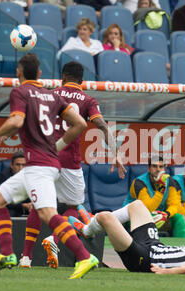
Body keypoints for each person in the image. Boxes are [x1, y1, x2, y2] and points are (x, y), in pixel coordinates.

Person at [0, 53, 98, 279]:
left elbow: (16, 121)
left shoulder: (21, 92)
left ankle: (85, 257)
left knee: (45, 213)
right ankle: (7, 254)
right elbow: (81, 123)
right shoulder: (49, 96)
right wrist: (59, 145)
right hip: (44, 162)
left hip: (40, 166)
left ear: (18, 72)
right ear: (40, 74)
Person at [19, 61, 126, 268]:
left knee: (38, 205)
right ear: (82, 81)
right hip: (69, 162)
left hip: (46, 157)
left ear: (62, 77)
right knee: (72, 207)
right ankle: (54, 240)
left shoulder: (49, 94)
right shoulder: (88, 99)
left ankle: (26, 257)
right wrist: (116, 154)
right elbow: (102, 126)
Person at [69, 199, 185, 275]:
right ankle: (92, 223)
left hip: (144, 259)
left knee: (106, 216)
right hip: (154, 245)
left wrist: (165, 272)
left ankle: (86, 230)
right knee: (137, 205)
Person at [122, 155, 185, 236]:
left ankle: (180, 246)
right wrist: (160, 190)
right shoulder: (139, 182)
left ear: (164, 170)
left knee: (179, 218)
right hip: (135, 215)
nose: (158, 169)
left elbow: (174, 205)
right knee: (148, 217)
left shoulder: (170, 182)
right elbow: (147, 208)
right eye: (154, 166)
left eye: (161, 167)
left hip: (160, 215)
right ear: (149, 169)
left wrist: (166, 214)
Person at [0, 152, 32, 217]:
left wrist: (31, 205)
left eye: (23, 165)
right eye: (18, 165)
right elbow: (1, 200)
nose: (20, 168)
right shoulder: (3, 176)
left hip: (28, 206)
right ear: (11, 165)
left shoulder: (31, 176)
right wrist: (22, 206)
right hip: (10, 207)